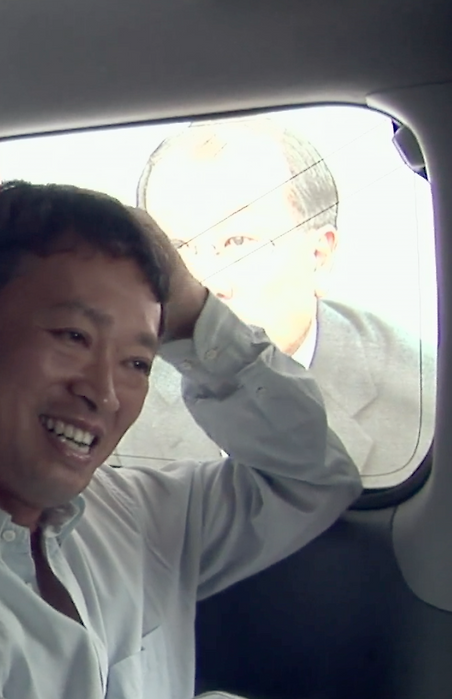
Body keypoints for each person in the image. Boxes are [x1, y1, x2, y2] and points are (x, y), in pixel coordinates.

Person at [0, 181, 362, 699]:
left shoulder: (136, 514)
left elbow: (310, 477)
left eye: (137, 362)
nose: (105, 393)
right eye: (73, 337)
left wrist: (193, 314)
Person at [112, 118, 433, 483]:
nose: (206, 284)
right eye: (177, 249)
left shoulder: (424, 405)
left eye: (238, 242)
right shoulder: (114, 394)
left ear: (319, 257)